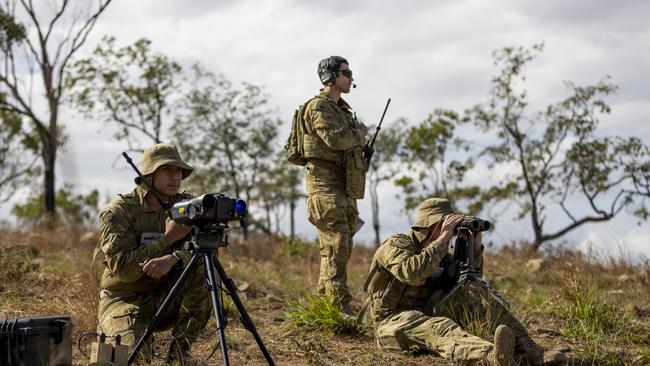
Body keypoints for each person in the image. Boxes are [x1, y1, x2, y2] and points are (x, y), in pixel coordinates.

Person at [362, 198, 569, 365]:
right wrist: (443, 239)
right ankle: (491, 356)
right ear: (430, 225)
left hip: (426, 310)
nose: (450, 232)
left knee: (476, 294)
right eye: (445, 225)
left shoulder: (439, 254)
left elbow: (467, 280)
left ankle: (530, 351)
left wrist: (475, 247)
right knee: (440, 327)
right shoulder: (396, 245)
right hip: (391, 321)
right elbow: (412, 273)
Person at [93, 143, 211, 364]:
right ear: (149, 173)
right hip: (124, 300)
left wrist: (173, 258)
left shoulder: (185, 206)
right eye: (166, 170)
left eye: (178, 171)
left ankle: (179, 357)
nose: (175, 177)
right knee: (136, 359)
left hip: (165, 295)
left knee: (205, 271)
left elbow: (203, 248)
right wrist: (166, 240)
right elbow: (124, 271)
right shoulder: (118, 212)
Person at [301, 55, 368, 314]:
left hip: (343, 186)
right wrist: (359, 136)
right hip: (325, 186)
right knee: (337, 244)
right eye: (346, 73)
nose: (351, 77)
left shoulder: (342, 110)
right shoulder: (319, 107)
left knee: (339, 246)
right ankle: (339, 307)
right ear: (330, 76)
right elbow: (334, 140)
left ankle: (324, 302)